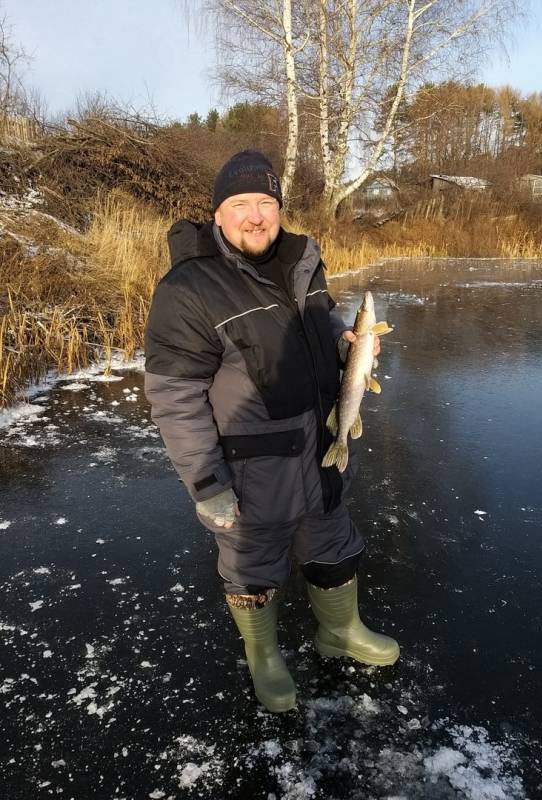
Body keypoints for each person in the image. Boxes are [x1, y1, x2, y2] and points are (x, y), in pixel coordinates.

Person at [144, 150, 399, 713]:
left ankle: (340, 630)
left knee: (332, 546)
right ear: (218, 214)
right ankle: (263, 657)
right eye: (240, 204)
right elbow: (174, 397)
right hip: (251, 468)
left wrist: (346, 345)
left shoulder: (303, 258)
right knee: (250, 564)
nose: (256, 215)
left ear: (279, 207)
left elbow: (325, 321)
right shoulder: (188, 288)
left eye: (266, 202)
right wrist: (208, 482)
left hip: (320, 448)